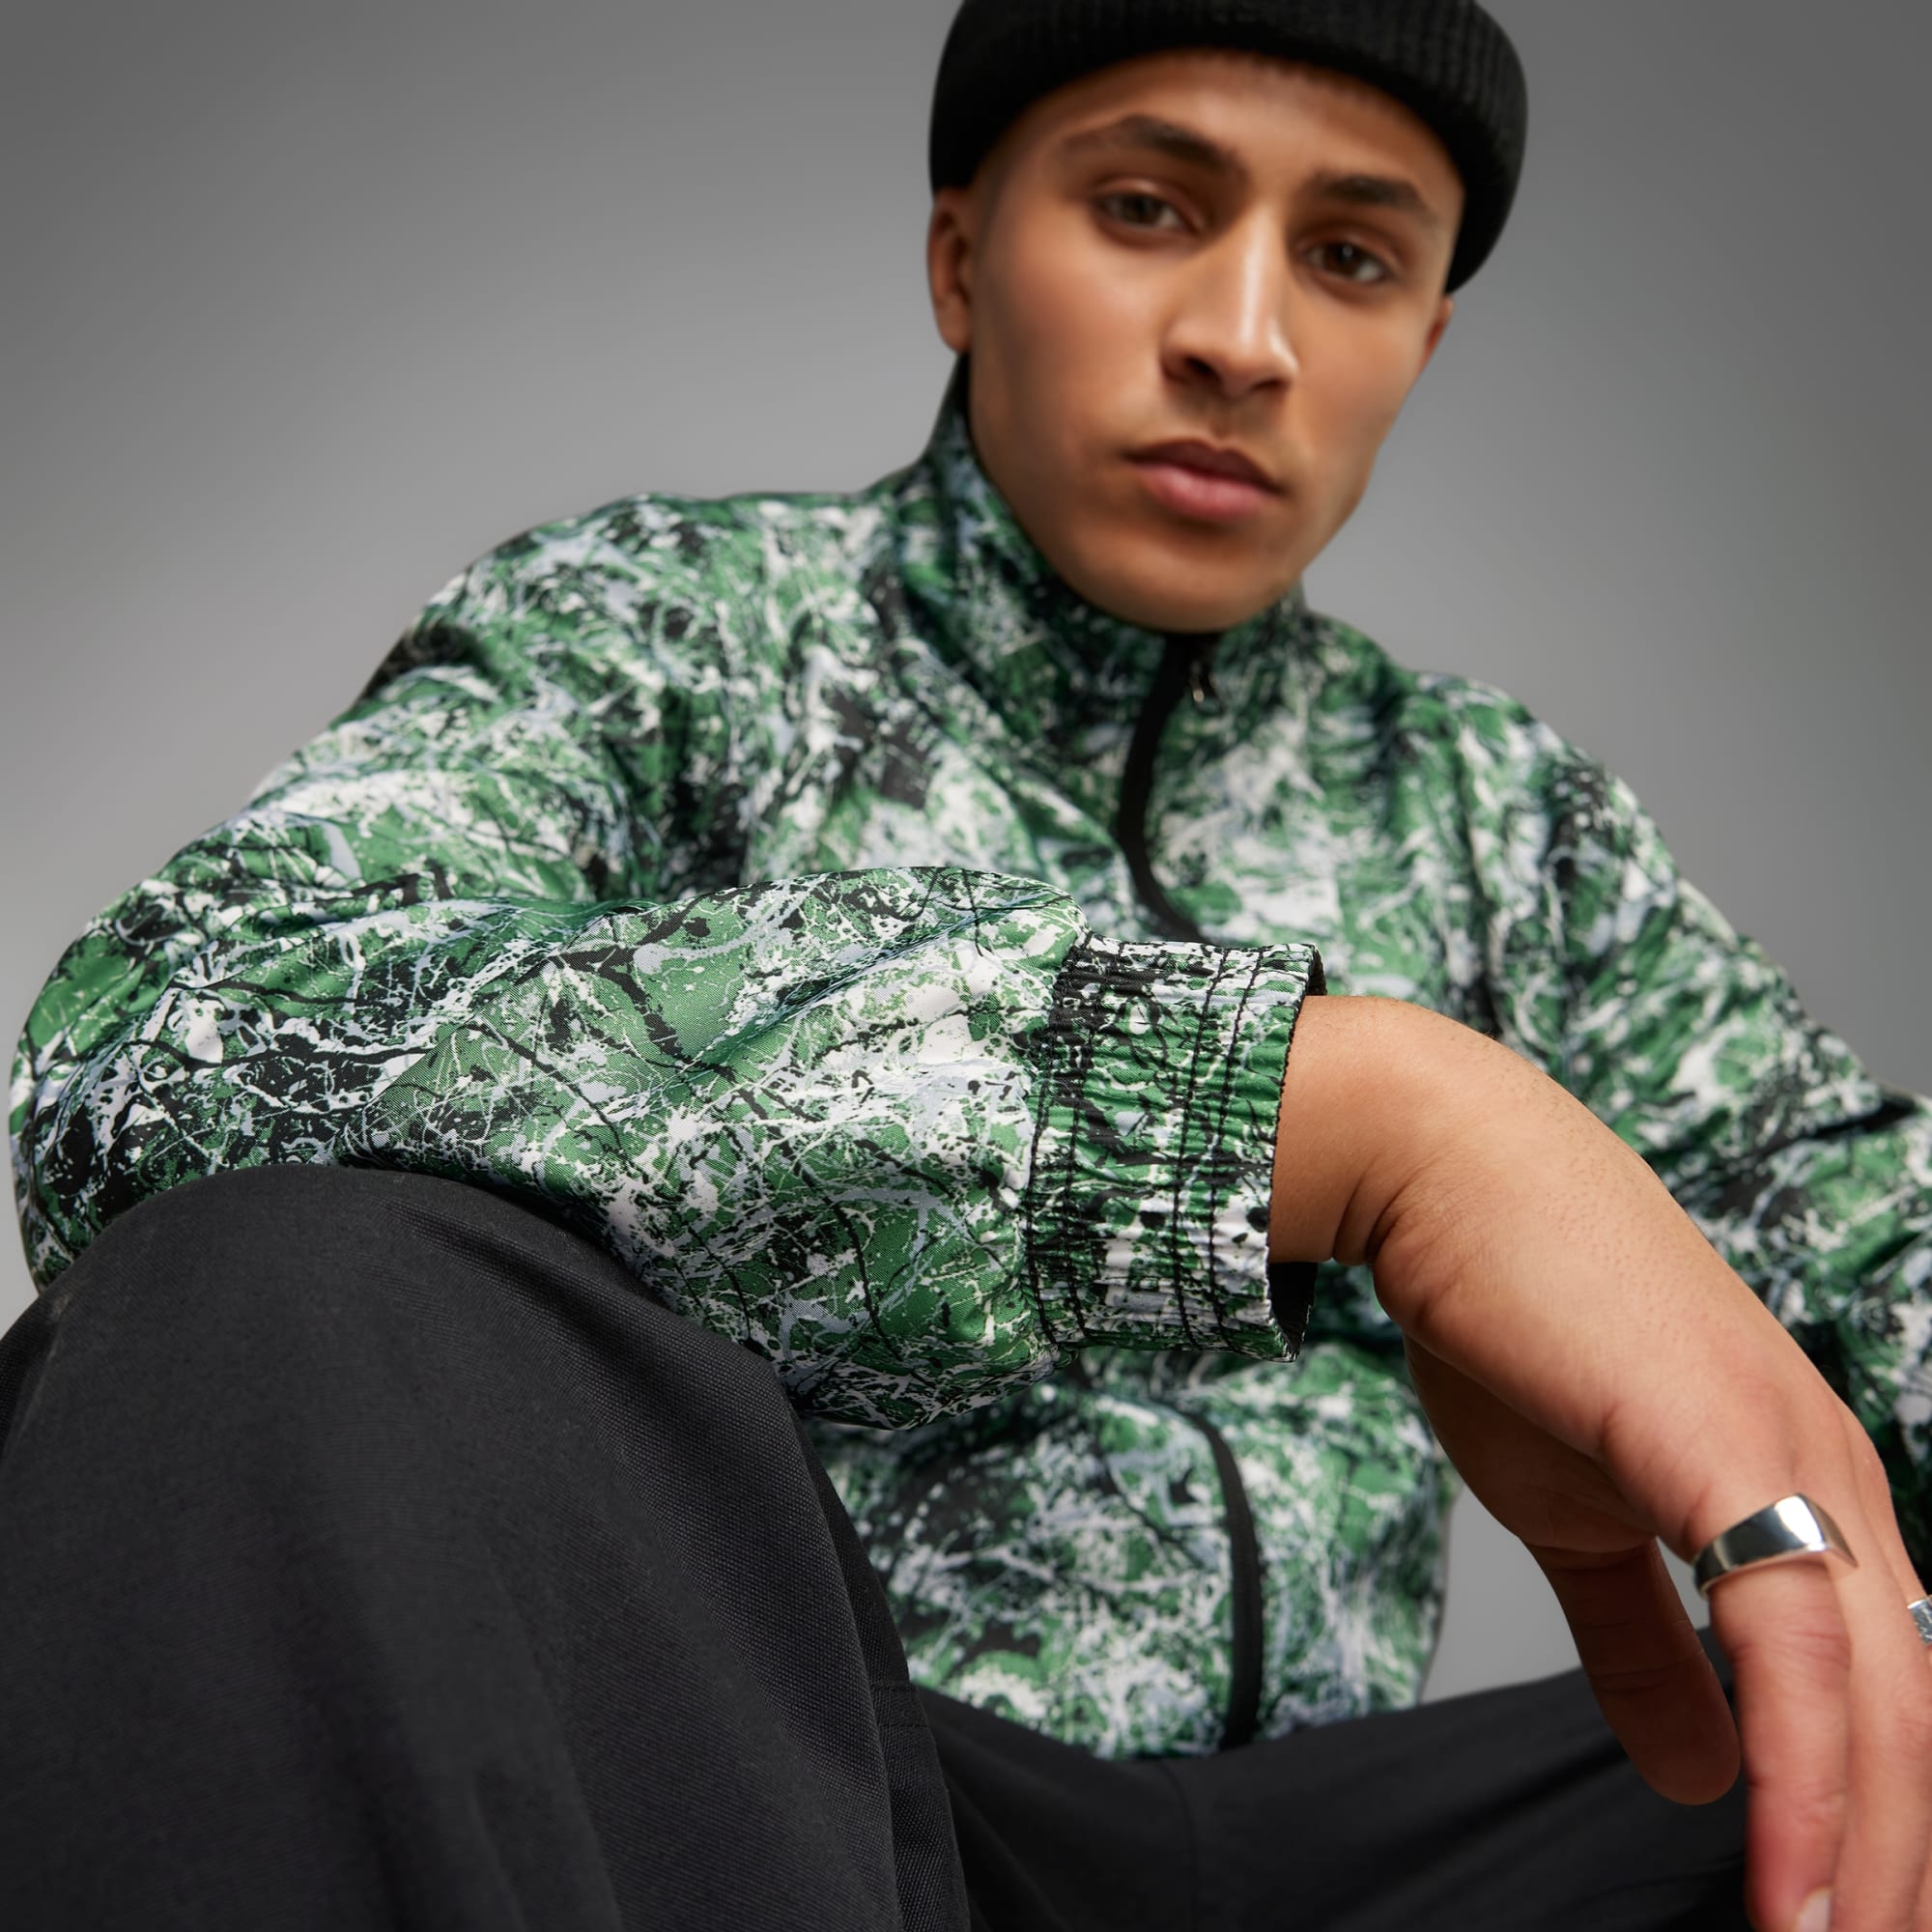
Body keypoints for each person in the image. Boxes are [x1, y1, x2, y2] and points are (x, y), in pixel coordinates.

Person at [4, 0, 1929, 1926]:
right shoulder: (679, 639)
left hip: (1353, 1866)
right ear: (960, 260)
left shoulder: (1501, 824)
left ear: (1421, 340)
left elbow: (1865, 1230)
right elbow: (175, 1036)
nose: (1242, 338)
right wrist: (1330, 1113)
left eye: (1350, 257)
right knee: (272, 1274)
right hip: (796, 1810)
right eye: (1148, 207)